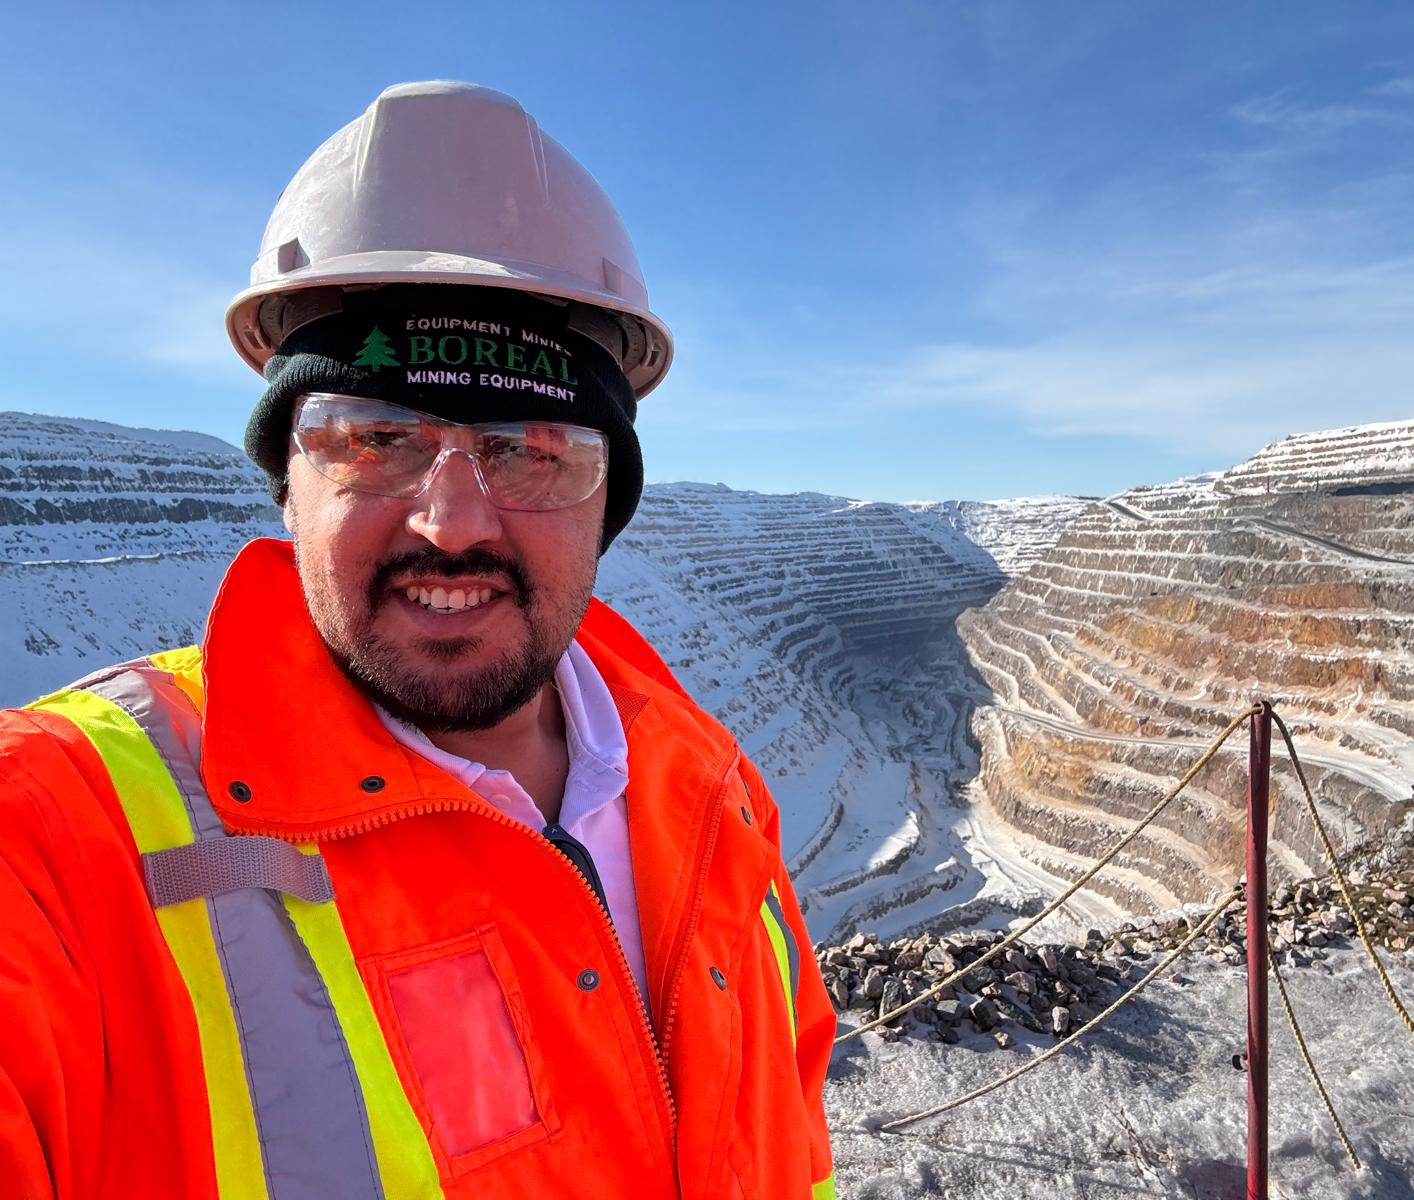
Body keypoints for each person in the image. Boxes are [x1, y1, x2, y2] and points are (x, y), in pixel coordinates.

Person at [0, 81, 836, 1200]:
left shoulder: (717, 797)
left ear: (608, 503)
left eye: (531, 450)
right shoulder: (57, 834)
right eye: (376, 439)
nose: (453, 524)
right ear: (288, 485)